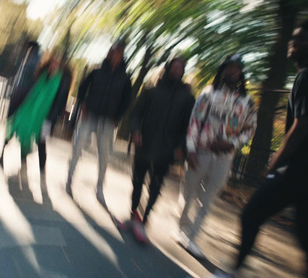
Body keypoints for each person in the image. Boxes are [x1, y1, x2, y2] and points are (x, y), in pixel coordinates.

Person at [210, 20, 308, 278]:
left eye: (298, 40)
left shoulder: (305, 77)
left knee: (251, 214)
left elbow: (300, 127)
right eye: (292, 38)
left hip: (296, 169)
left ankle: (233, 271)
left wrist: (274, 162)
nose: (292, 43)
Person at [176, 54, 257, 257]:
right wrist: (191, 149)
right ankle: (181, 228)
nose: (232, 72)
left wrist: (232, 142)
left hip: (224, 156)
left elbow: (249, 129)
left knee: (209, 198)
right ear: (222, 71)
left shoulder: (247, 102)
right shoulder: (208, 94)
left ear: (241, 74)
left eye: (236, 69)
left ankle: (192, 237)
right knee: (189, 191)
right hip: (201, 150)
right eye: (228, 68)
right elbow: (194, 121)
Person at [128, 57, 195, 241]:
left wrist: (182, 147)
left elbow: (188, 126)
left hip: (167, 148)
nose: (177, 70)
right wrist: (135, 131)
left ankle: (145, 217)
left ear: (183, 72)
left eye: (180, 68)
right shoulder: (151, 91)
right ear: (167, 68)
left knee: (156, 185)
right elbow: (136, 114)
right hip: (145, 142)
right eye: (174, 67)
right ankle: (133, 212)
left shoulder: (187, 98)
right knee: (137, 180)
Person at [65, 40, 132, 205]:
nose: (116, 54)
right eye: (114, 51)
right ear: (110, 53)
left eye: (119, 52)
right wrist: (82, 105)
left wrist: (117, 118)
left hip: (108, 120)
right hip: (90, 115)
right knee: (78, 145)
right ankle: (69, 177)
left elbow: (127, 101)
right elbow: (82, 88)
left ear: (122, 55)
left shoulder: (125, 78)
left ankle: (100, 187)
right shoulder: (97, 71)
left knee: (104, 155)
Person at [0, 46, 72, 172]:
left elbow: (60, 103)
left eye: (56, 64)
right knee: (17, 126)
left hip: (47, 116)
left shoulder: (62, 83)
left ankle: (42, 167)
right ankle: (3, 154)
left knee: (40, 140)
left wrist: (52, 118)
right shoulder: (41, 75)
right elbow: (29, 91)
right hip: (29, 108)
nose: (53, 66)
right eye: (52, 63)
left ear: (60, 66)